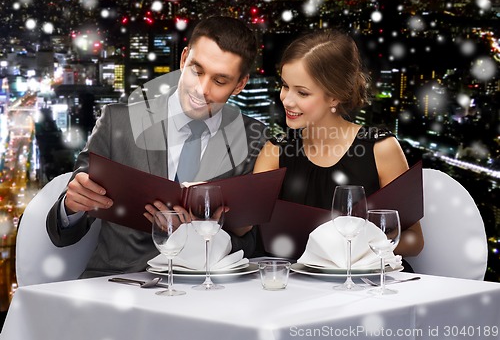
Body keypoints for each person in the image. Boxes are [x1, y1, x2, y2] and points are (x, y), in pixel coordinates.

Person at [46, 16, 269, 278]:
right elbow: (61, 233)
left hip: (205, 294)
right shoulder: (118, 122)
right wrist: (71, 207)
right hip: (117, 286)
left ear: (240, 85)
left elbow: (252, 244)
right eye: (196, 70)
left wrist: (205, 233)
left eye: (220, 81)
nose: (201, 89)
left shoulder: (254, 138)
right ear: (183, 59)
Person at [253, 28, 424, 258]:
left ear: (334, 96)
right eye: (285, 86)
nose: (286, 99)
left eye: (302, 93)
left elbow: (414, 240)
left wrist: (354, 247)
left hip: (367, 284)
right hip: (300, 285)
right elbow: (251, 228)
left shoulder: (381, 149)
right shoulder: (274, 151)